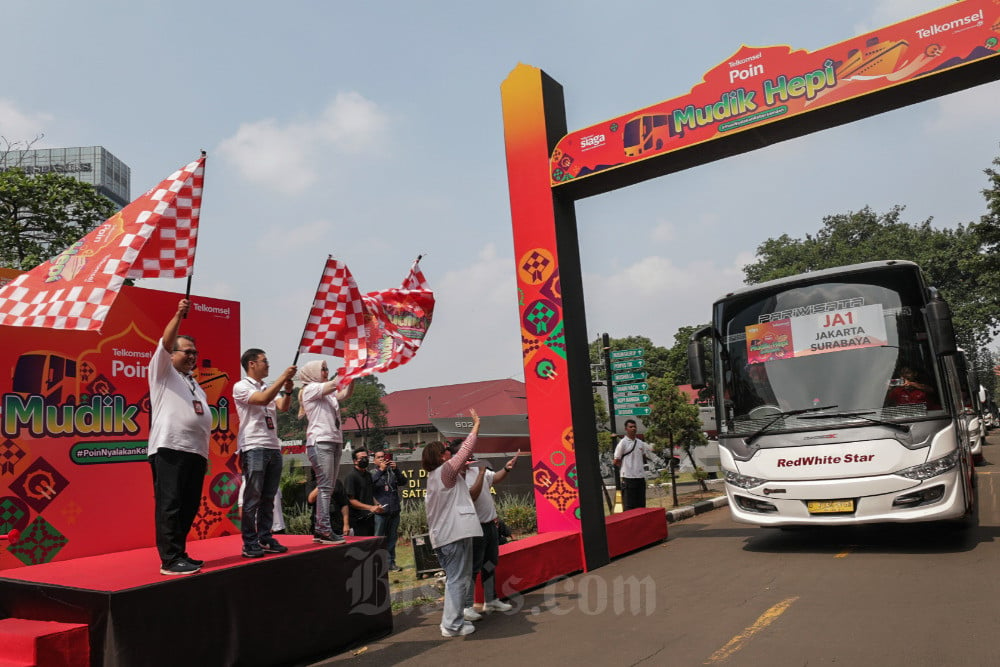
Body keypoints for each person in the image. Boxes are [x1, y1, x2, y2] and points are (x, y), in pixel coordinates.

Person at [147, 299, 212, 575]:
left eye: (195, 353)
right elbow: (165, 341)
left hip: (195, 452)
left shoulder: (195, 384)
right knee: (170, 504)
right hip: (170, 448)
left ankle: (180, 552)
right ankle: (170, 560)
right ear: (171, 355)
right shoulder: (162, 373)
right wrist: (178, 315)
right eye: (186, 351)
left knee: (189, 505)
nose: (192, 356)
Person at [423, 410, 483, 638]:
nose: (451, 451)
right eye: (447, 449)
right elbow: (466, 449)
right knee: (458, 580)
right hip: (453, 535)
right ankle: (452, 625)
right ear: (441, 456)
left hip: (448, 535)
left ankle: (452, 621)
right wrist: (476, 425)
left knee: (456, 580)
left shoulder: (439, 476)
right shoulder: (445, 471)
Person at [233, 348, 296, 558]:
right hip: (254, 446)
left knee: (269, 497)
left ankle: (265, 537)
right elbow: (261, 400)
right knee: (252, 498)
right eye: (264, 361)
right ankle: (249, 542)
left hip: (272, 446)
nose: (268, 364)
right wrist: (282, 377)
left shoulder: (268, 387)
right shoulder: (241, 386)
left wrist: (287, 390)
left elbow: (282, 406)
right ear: (251, 363)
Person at [296, 360, 353, 545]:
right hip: (320, 441)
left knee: (328, 486)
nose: (326, 371)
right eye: (323, 369)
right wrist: (351, 367)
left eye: (327, 368)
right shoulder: (311, 388)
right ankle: (323, 529)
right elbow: (336, 383)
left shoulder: (327, 394)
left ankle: (323, 529)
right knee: (326, 487)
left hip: (334, 441)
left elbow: (344, 393)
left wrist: (353, 377)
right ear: (312, 372)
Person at [462, 450, 520, 619]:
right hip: (474, 528)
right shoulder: (459, 476)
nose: (472, 456)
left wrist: (507, 468)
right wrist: (480, 472)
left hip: (490, 525)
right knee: (472, 568)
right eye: (468, 453)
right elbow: (472, 495)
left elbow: (495, 478)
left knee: (490, 564)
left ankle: (491, 599)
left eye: (472, 454)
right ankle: (467, 606)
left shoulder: (478, 470)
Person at [371, 450, 406, 571]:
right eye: (379, 457)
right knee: (378, 540)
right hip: (380, 513)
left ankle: (391, 563)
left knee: (391, 539)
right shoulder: (372, 473)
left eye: (383, 457)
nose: (382, 459)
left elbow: (403, 482)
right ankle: (377, 565)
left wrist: (396, 469)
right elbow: (369, 485)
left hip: (394, 511)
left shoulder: (392, 472)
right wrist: (381, 470)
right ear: (374, 460)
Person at [613, 419, 652, 511]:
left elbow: (643, 457)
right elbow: (616, 460)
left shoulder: (640, 443)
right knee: (629, 505)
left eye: (634, 427)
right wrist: (626, 467)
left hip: (640, 477)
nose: (633, 428)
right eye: (631, 427)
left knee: (641, 503)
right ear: (626, 429)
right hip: (628, 478)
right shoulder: (623, 443)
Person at [346, 449, 384, 536]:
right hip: (358, 521)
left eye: (366, 457)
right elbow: (351, 500)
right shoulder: (351, 477)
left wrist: (377, 505)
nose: (365, 460)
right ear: (355, 461)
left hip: (370, 518)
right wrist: (370, 507)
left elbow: (370, 494)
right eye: (362, 458)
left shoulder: (368, 475)